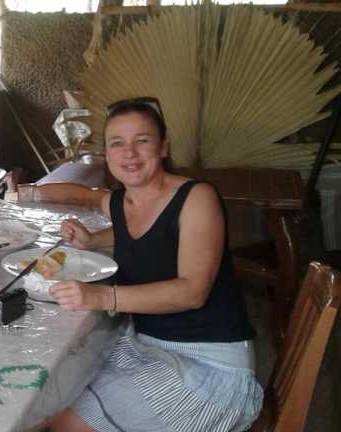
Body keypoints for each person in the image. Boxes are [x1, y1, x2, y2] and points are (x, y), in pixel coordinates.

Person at [47, 97, 262, 432]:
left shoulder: (196, 197)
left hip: (208, 364)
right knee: (49, 398)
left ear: (163, 147)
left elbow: (192, 291)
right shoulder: (121, 202)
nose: (129, 153)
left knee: (65, 424)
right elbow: (139, 232)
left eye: (142, 140)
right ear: (107, 154)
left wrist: (102, 297)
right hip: (146, 345)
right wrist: (91, 240)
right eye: (117, 143)